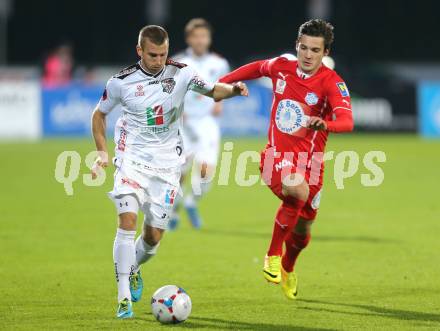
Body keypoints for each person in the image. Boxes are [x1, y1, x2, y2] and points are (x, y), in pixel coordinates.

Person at [90, 25, 248, 319]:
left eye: (163, 54)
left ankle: (134, 266)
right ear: (140, 51)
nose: (159, 60)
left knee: (153, 237)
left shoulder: (182, 72)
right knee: (126, 219)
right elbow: (99, 115)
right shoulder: (120, 82)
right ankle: (123, 296)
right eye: (152, 55)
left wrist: (234, 91)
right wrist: (102, 152)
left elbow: (213, 90)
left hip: (166, 164)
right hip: (131, 159)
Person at [219, 19, 353, 300]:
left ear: (325, 52)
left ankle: (289, 266)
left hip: (312, 167)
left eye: (314, 50)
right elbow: (257, 68)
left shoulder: (332, 83)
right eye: (303, 48)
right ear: (296, 46)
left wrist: (325, 124)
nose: (307, 55)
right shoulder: (282, 66)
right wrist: (223, 83)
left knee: (303, 229)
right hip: (274, 157)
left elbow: (347, 121)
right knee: (296, 189)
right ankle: (272, 255)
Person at [169, 18, 230, 229]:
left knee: (206, 172)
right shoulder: (177, 63)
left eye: (204, 36)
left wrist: (219, 101)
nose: (200, 40)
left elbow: (224, 87)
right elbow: (169, 93)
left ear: (209, 39)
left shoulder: (219, 63)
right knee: (179, 174)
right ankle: (174, 210)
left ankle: (190, 202)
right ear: (189, 39)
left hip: (207, 124)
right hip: (183, 125)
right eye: (196, 36)